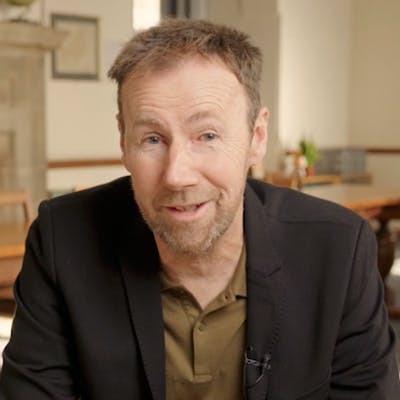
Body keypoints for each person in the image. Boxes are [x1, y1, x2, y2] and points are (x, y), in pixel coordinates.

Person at [0, 18, 399, 400]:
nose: (177, 176)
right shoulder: (62, 241)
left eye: (207, 135)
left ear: (257, 137)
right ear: (123, 140)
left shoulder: (339, 251)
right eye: (152, 139)